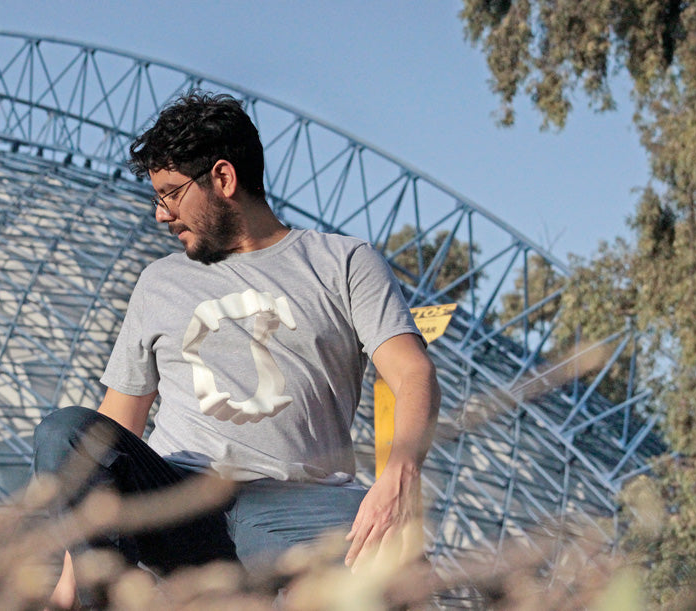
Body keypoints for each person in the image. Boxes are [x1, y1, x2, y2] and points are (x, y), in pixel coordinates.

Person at [33, 92, 440, 609]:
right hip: (183, 502)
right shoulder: (158, 282)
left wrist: (399, 478)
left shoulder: (343, 262)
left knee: (399, 563)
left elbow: (411, 373)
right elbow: (111, 431)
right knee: (64, 431)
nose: (161, 215)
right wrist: (69, 582)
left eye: (171, 194)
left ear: (223, 179)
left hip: (296, 506)